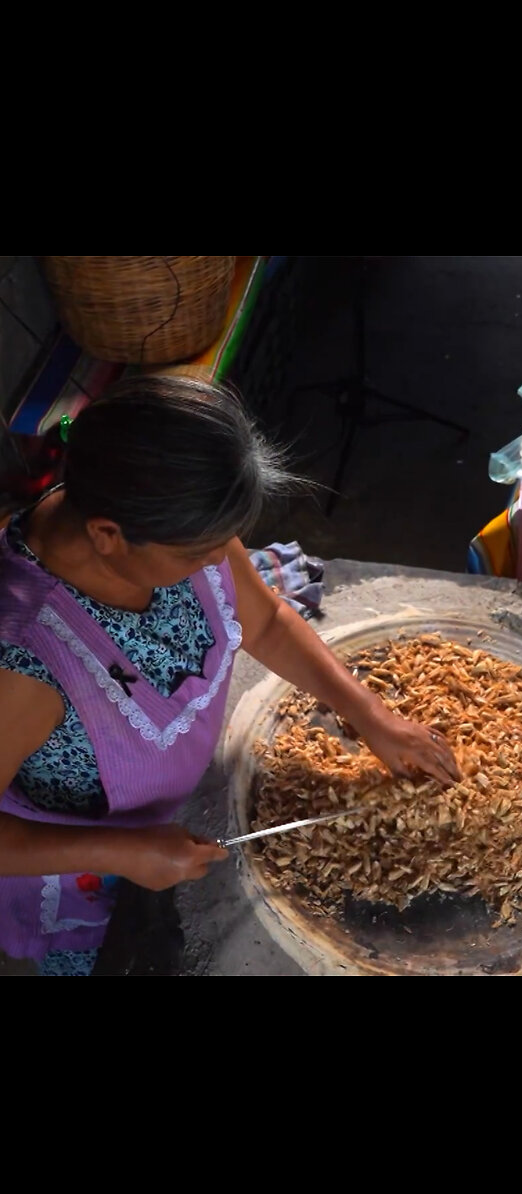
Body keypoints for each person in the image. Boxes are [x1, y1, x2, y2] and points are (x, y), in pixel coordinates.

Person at [0, 375, 460, 976]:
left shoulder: (175, 519)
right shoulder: (26, 656)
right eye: (198, 553)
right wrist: (119, 850)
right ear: (107, 536)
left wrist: (373, 718)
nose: (221, 559)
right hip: (82, 868)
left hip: (175, 814)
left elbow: (265, 622)